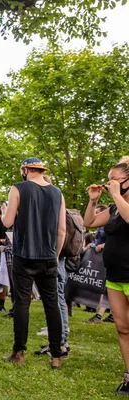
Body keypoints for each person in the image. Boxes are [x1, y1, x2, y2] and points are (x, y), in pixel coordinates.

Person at [1, 158, 66, 369]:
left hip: (24, 254)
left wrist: (3, 213)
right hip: (48, 256)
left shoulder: (18, 188)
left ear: (25, 169)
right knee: (52, 305)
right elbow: (61, 230)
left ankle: (19, 352)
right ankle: (56, 355)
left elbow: (8, 223)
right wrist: (55, 255)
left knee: (21, 304)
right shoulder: (57, 193)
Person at [83, 156, 129, 395]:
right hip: (115, 275)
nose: (110, 183)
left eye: (115, 179)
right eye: (109, 180)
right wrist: (93, 201)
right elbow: (89, 222)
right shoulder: (112, 208)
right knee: (122, 328)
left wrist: (116, 195)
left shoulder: (121, 203)